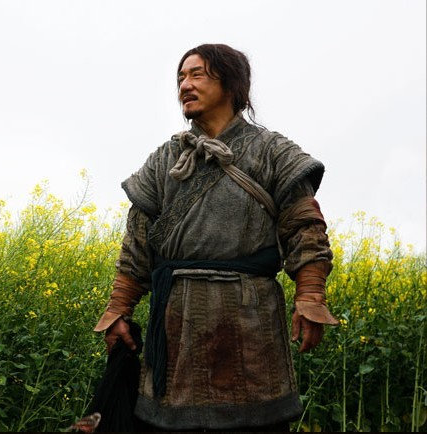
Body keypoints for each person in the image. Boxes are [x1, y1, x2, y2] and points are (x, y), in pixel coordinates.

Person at [93, 43, 339, 431]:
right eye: (180, 77)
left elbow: (304, 226)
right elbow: (137, 241)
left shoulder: (272, 151)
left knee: (253, 423)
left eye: (197, 75)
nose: (185, 85)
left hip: (248, 318)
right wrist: (118, 310)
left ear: (231, 84)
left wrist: (310, 296)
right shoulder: (164, 159)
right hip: (176, 322)